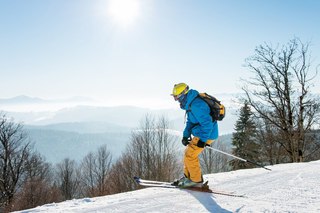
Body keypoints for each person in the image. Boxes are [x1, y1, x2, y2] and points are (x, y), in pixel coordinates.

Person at [171, 83, 219, 188]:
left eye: (177, 97)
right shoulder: (190, 104)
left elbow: (207, 123)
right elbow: (190, 122)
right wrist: (185, 135)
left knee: (190, 155)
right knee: (187, 154)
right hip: (201, 133)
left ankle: (196, 181)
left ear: (184, 94)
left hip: (206, 134)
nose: (176, 100)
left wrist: (203, 140)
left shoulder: (197, 105)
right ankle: (189, 177)